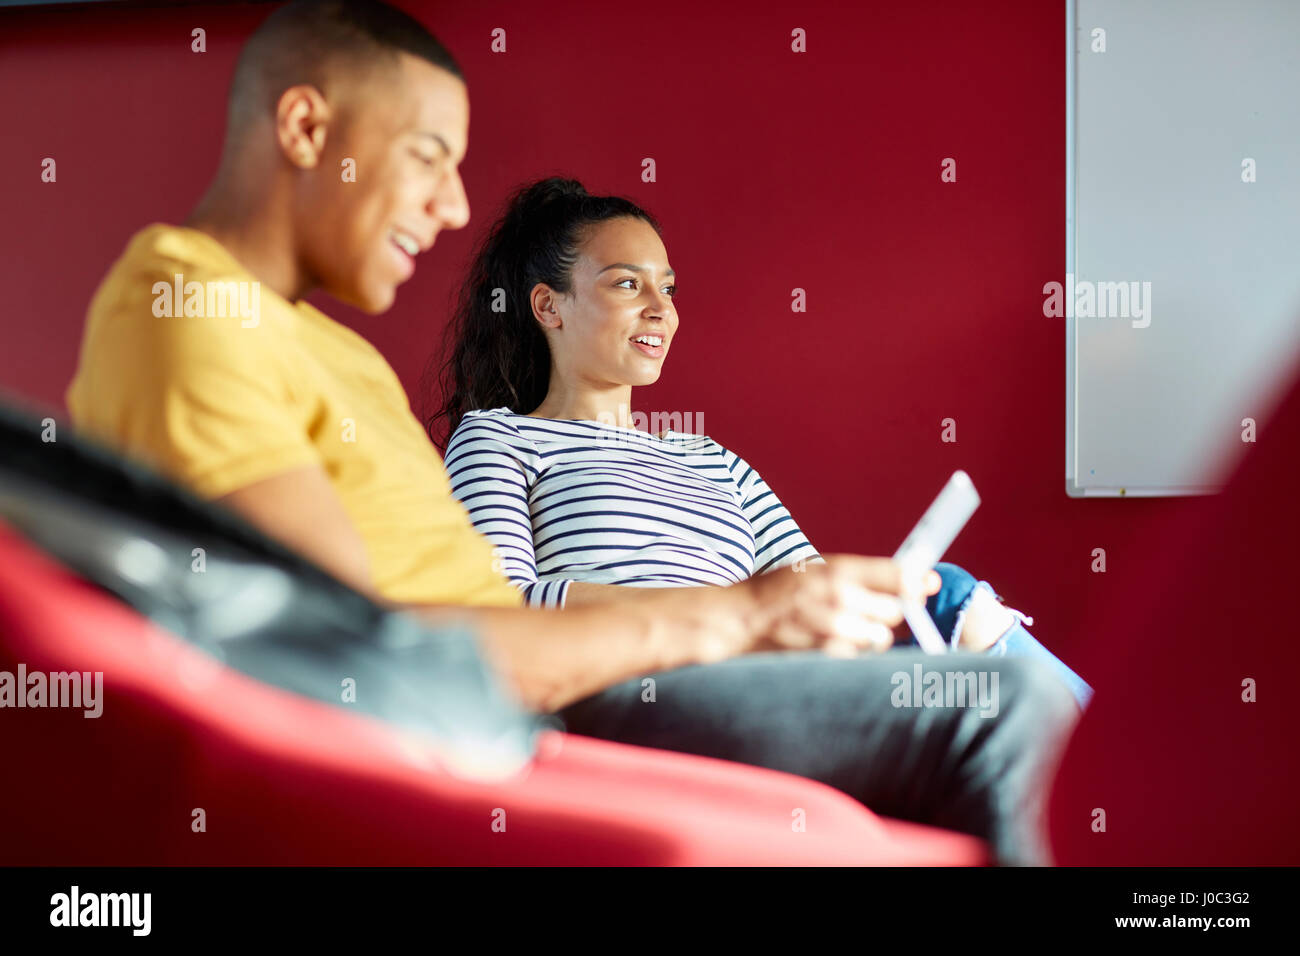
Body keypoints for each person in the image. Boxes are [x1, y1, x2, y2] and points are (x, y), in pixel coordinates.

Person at [64, 0, 1078, 864]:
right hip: (535, 705)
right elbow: (370, 651)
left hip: (553, 681)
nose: (454, 205)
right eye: (428, 157)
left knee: (992, 666)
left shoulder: (339, 357)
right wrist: (736, 616)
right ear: (301, 126)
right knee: (998, 712)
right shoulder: (188, 306)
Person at [435, 177, 1093, 710]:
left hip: (763, 675)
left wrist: (874, 600)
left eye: (667, 287)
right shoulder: (498, 438)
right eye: (627, 283)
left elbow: (806, 590)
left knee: (948, 600)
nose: (661, 310)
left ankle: (1133, 783)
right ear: (549, 307)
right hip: (640, 684)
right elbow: (499, 609)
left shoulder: (712, 460)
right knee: (986, 684)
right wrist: (730, 613)